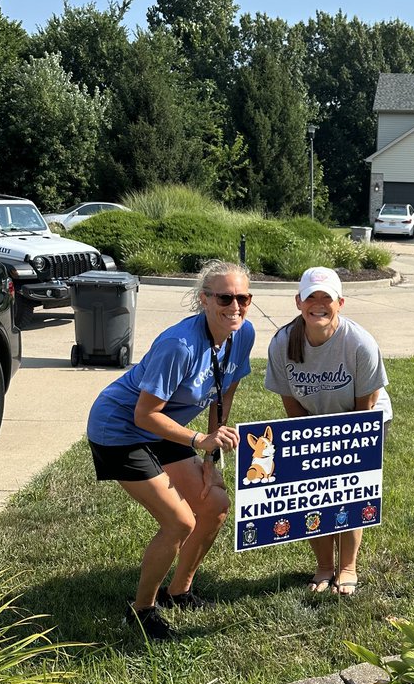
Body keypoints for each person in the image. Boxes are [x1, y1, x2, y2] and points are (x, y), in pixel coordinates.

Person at [87, 260, 255, 640]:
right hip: (120, 428)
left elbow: (224, 392)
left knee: (213, 505)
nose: (235, 306)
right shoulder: (178, 345)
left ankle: (179, 591)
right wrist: (198, 440)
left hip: (167, 426)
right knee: (180, 521)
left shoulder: (242, 334)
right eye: (225, 297)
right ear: (205, 299)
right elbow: (144, 415)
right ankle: (142, 609)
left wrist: (211, 457)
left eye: (243, 297)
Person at [265, 266, 391, 595]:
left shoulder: (360, 344)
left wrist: (340, 447)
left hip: (362, 419)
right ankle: (323, 566)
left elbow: (364, 410)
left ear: (341, 303)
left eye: (327, 298)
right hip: (314, 419)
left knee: (350, 491)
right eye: (311, 297)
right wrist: (311, 447)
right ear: (298, 302)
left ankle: (348, 567)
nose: (318, 304)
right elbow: (291, 405)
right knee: (313, 493)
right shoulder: (281, 343)